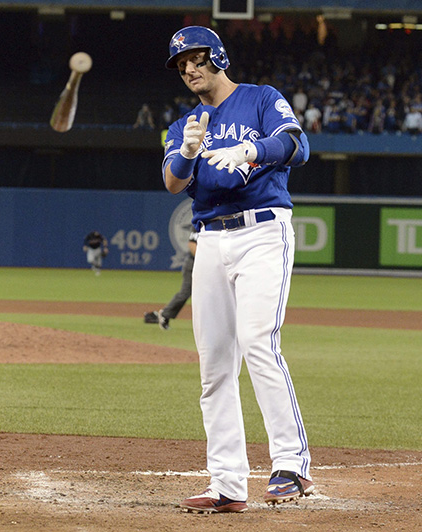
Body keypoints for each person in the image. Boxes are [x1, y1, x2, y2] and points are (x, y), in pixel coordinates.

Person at [162, 26, 313, 513]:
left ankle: (291, 464)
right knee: (214, 366)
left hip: (262, 231)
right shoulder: (185, 123)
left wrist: (252, 149)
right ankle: (227, 483)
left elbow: (296, 143)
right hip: (210, 239)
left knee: (257, 343)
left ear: (218, 55)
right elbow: (171, 182)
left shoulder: (260, 99)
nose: (189, 69)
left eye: (196, 59)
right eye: (182, 65)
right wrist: (186, 152)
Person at [144, 231, 197, 330]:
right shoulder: (201, 221)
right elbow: (192, 244)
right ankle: (164, 314)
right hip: (193, 264)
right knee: (185, 293)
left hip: (204, 265)